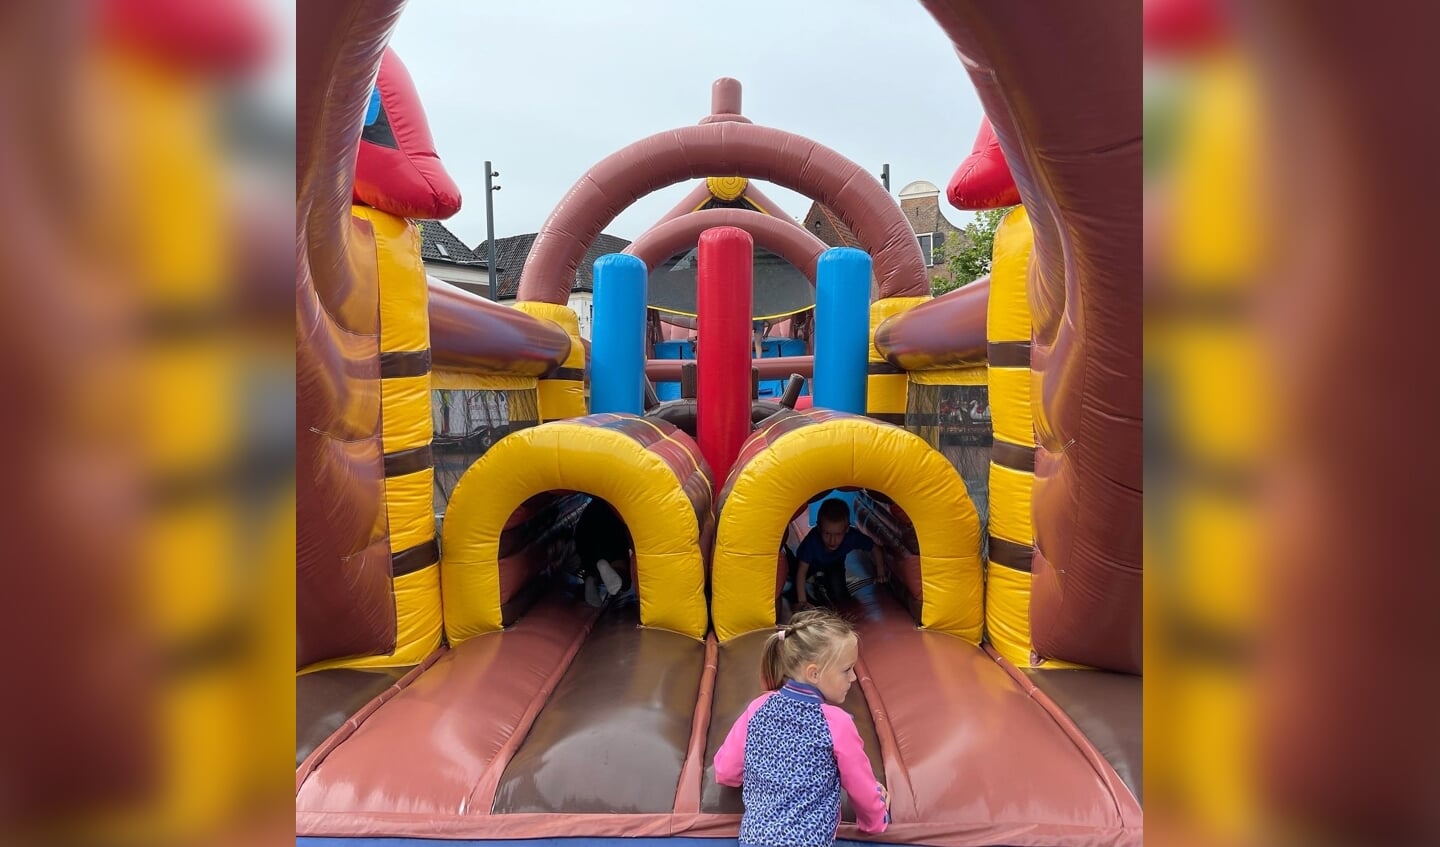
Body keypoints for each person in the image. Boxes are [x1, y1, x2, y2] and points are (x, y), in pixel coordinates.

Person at [714, 610, 890, 846]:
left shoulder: (758, 707)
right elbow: (862, 788)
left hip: (754, 840)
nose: (854, 678)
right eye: (847, 669)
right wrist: (877, 819)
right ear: (814, 673)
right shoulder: (835, 722)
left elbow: (725, 772)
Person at [791, 498, 887, 610]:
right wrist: (802, 602)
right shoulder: (812, 542)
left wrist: (880, 573)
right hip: (810, 564)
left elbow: (875, 548)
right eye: (827, 534)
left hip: (834, 564)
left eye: (838, 534)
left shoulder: (851, 537)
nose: (832, 540)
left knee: (839, 594)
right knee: (795, 589)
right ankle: (815, 581)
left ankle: (821, 581)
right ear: (819, 528)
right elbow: (801, 572)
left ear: (846, 529)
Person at [573, 496, 633, 607]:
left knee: (590, 558)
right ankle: (618, 572)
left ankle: (590, 577)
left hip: (583, 534)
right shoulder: (621, 502)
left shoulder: (597, 501)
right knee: (624, 582)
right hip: (608, 532)